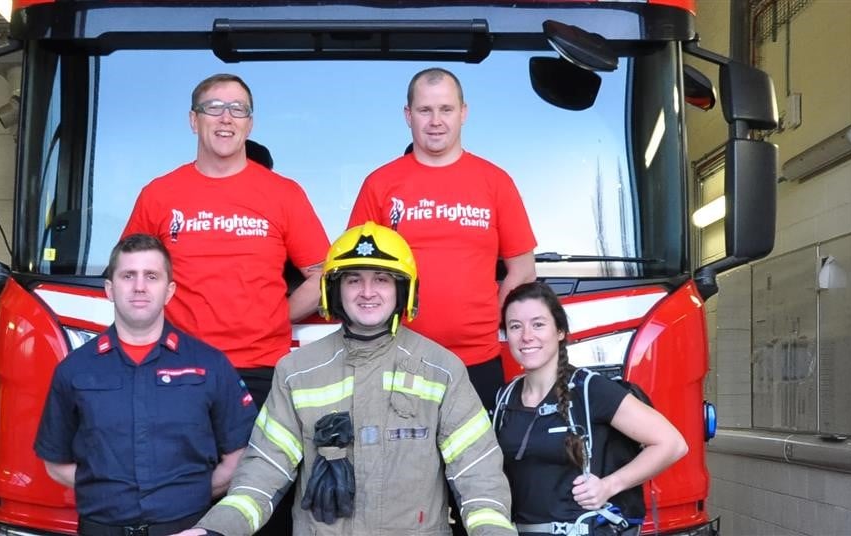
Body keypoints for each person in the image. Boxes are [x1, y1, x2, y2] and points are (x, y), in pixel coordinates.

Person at [177, 222, 517, 536]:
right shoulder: (297, 372)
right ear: (334, 291)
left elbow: (478, 473)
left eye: (381, 279)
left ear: (403, 290)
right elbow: (264, 471)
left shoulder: (441, 370)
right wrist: (216, 529)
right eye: (354, 279)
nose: (367, 291)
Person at [123, 73, 329, 409]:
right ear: (194, 120)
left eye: (238, 109)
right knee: (181, 464)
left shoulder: (284, 194)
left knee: (256, 464)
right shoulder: (158, 195)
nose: (226, 118)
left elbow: (323, 274)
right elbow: (130, 276)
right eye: (214, 107)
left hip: (261, 370)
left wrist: (277, 316)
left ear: (250, 124)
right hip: (176, 366)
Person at [34, 234, 258, 536]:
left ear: (169, 291)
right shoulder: (74, 370)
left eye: (151, 276)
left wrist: (185, 494)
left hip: (187, 528)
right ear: (110, 290)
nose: (139, 286)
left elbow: (239, 457)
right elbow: (55, 463)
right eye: (128, 276)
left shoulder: (211, 365)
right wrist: (109, 491)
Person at [348, 67, 537, 413]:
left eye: (446, 109)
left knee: (476, 466)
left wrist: (487, 320)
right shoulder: (380, 184)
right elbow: (354, 273)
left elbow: (523, 271)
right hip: (397, 359)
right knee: (399, 467)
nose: (436, 121)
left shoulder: (495, 182)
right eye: (425, 110)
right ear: (408, 115)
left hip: (477, 361)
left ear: (463, 113)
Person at [495, 282, 688, 535]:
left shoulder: (589, 389)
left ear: (560, 330)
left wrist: (609, 485)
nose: (526, 336)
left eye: (538, 324)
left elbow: (672, 444)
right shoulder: (504, 398)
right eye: (515, 326)